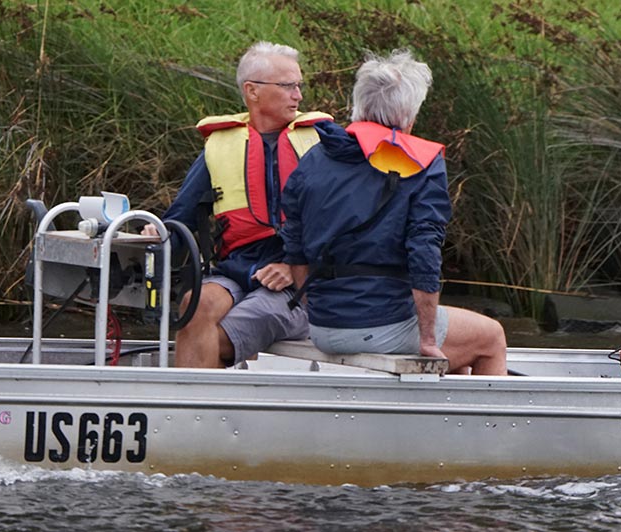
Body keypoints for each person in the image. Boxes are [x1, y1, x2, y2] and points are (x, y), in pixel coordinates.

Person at [280, 50, 506, 375]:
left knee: (457, 344)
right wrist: (427, 339)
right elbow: (424, 256)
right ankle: (486, 426)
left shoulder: (314, 159)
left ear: (359, 106)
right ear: (409, 116)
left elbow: (295, 247)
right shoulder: (422, 165)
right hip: (380, 326)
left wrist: (315, 311)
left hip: (322, 326)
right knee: (490, 337)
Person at [143, 42, 332, 368]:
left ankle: (194, 413)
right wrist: (153, 234)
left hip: (297, 280)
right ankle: (195, 411)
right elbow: (180, 218)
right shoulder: (221, 147)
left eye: (299, 86)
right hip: (237, 269)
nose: (298, 96)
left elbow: (347, 221)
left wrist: (293, 265)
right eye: (289, 86)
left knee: (216, 337)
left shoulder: (323, 143)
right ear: (252, 91)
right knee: (193, 303)